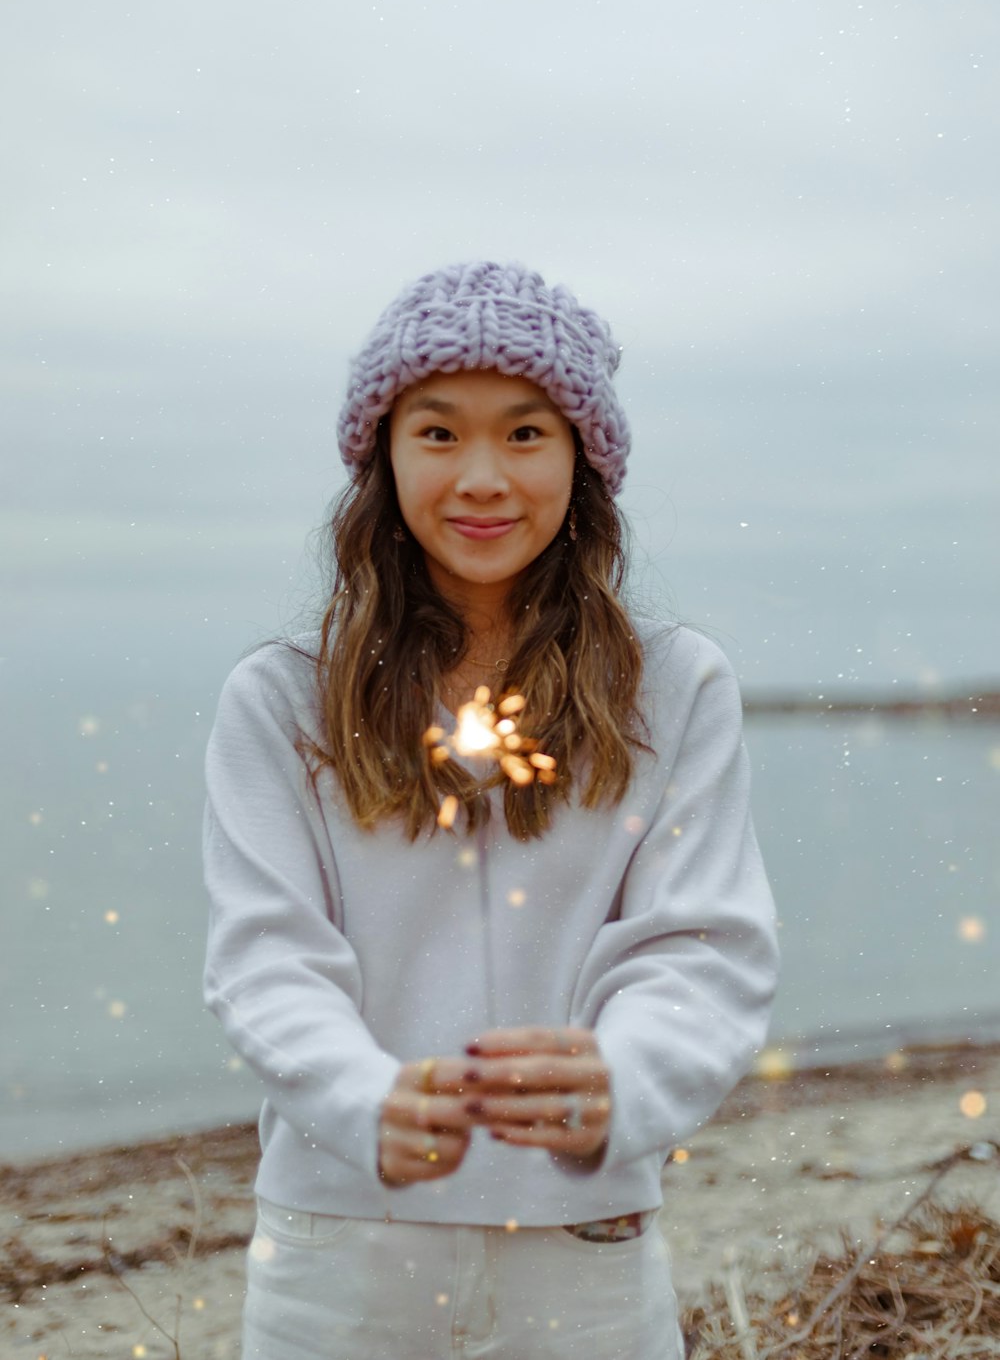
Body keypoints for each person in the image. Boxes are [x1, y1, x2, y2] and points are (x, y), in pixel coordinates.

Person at [203, 260, 779, 1359]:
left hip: (585, 1240)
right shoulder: (280, 699)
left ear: (582, 459)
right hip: (338, 1243)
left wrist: (623, 1081)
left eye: (524, 434)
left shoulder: (673, 685)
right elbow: (266, 957)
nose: (480, 477)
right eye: (436, 433)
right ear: (381, 455)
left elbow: (698, 945)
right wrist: (363, 1097)